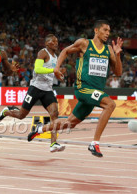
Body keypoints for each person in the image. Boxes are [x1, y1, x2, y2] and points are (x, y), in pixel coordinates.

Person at [27, 20, 123, 157]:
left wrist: (118, 54)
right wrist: (56, 68)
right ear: (96, 30)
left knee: (69, 123)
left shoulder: (108, 50)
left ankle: (40, 129)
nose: (108, 33)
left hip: (95, 92)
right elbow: (65, 51)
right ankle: (94, 143)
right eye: (105, 30)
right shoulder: (84, 43)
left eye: (109, 31)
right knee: (110, 104)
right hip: (83, 88)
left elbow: (118, 73)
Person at [0, 34, 66, 152]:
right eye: (54, 41)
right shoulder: (42, 53)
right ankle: (6, 112)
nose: (56, 43)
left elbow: (53, 72)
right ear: (47, 43)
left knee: (54, 114)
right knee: (21, 115)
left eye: (57, 41)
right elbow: (38, 69)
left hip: (48, 89)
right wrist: (53, 70)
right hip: (35, 88)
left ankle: (53, 143)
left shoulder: (56, 57)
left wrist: (59, 75)